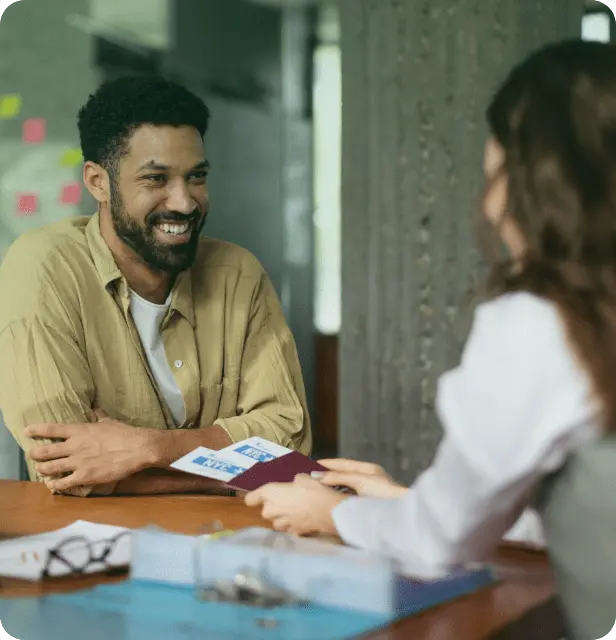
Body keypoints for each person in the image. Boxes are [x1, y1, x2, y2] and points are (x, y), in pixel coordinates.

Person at [246, 40, 616, 640]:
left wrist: (334, 512)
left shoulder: (540, 322)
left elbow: (436, 545)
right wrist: (401, 500)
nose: (491, 210)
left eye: (494, 174)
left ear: (532, 182)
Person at [0, 76, 311, 498]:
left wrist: (149, 448)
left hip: (226, 546)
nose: (184, 202)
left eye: (196, 177)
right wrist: (232, 469)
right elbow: (68, 474)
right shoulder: (44, 267)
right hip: (96, 552)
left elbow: (290, 450)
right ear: (97, 181)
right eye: (156, 179)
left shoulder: (239, 274)